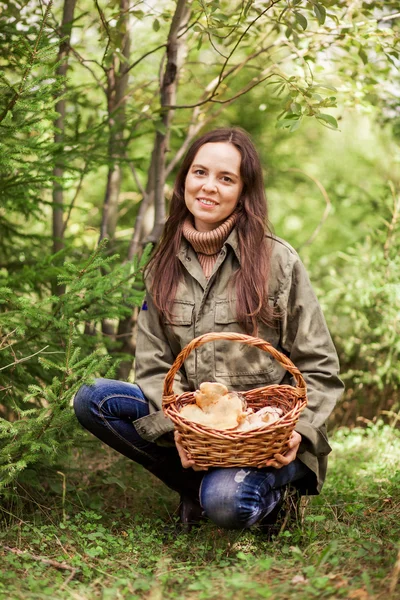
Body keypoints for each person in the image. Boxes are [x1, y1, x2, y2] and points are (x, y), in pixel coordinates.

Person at [74, 127, 344, 531]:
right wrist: (180, 430)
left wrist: (299, 434)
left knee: (227, 506)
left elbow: (320, 368)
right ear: (185, 178)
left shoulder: (277, 261)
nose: (209, 187)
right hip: (197, 431)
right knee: (95, 399)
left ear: (243, 190)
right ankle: (198, 484)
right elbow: (153, 367)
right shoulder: (160, 265)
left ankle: (262, 497)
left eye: (226, 178)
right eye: (200, 172)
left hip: (264, 440)